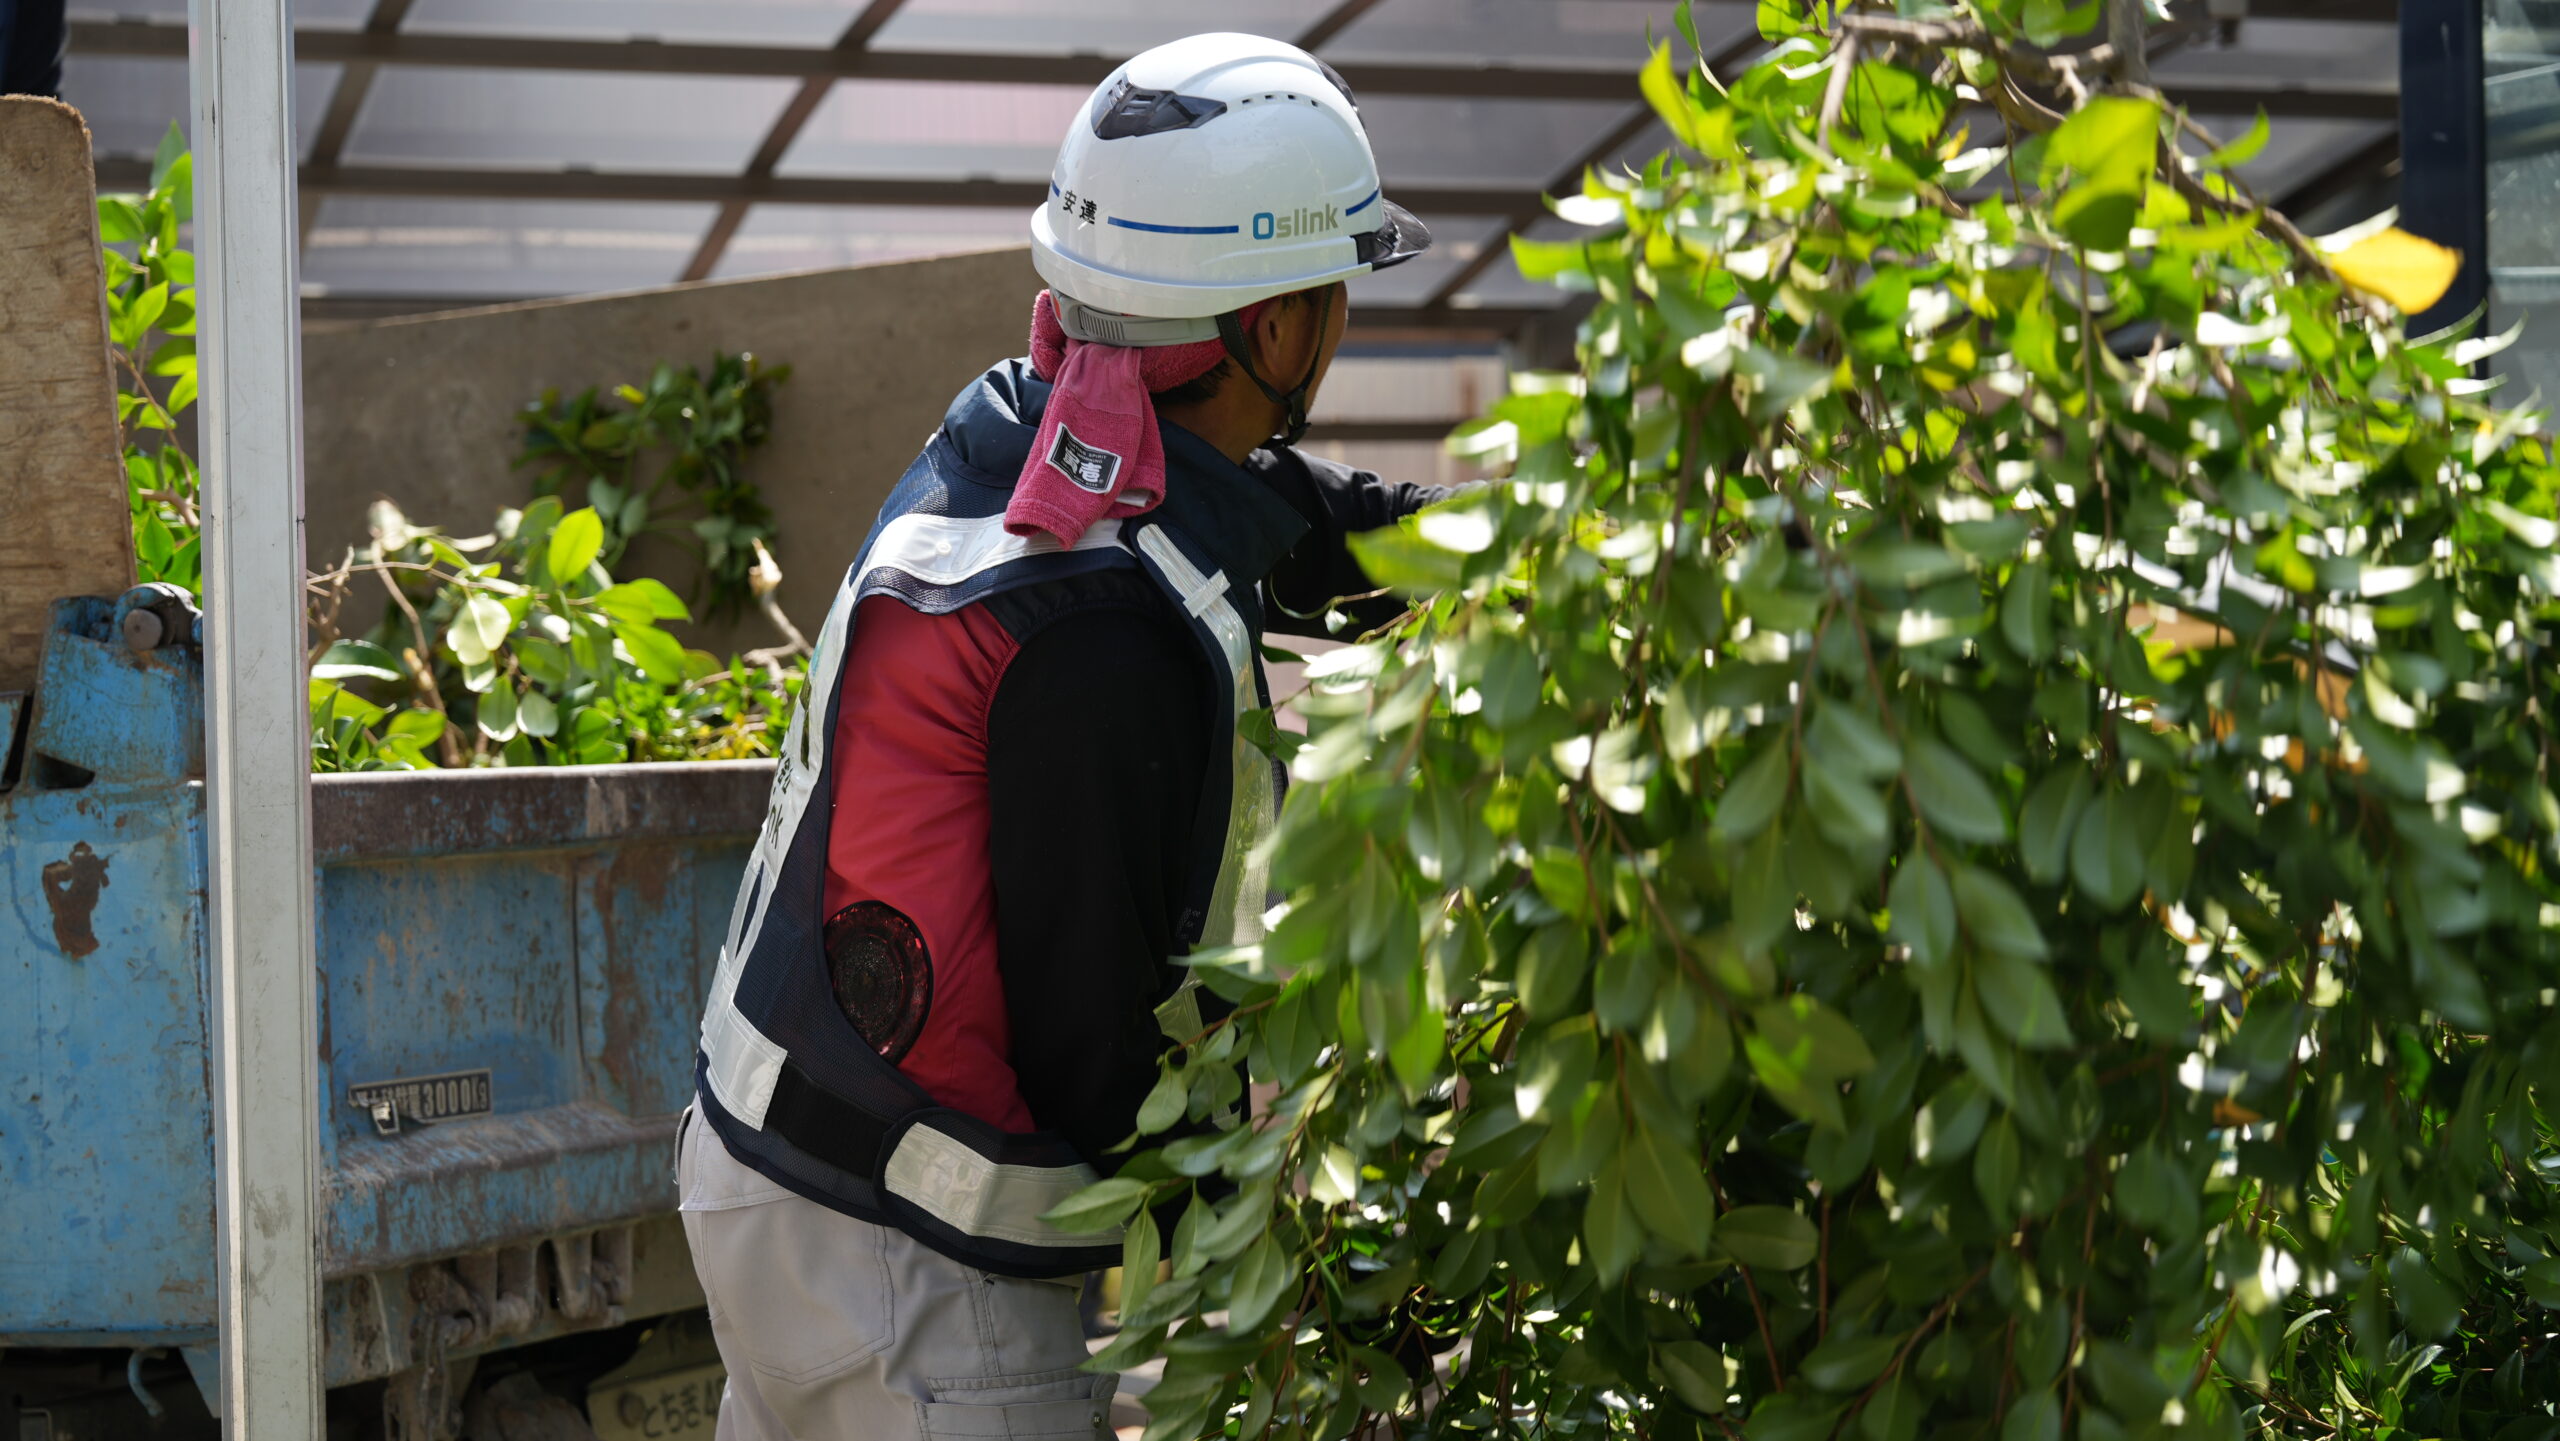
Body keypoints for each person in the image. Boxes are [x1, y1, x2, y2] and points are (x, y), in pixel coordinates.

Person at [678, 32, 1456, 1441]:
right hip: (914, 1261)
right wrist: (1324, 1219)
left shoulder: (1019, 436)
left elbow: (1280, 517)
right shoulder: (1098, 634)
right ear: (1273, 329)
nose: (1338, 323)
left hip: (768, 1175)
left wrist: (1533, 557)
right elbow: (1093, 1058)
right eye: (1332, 292)